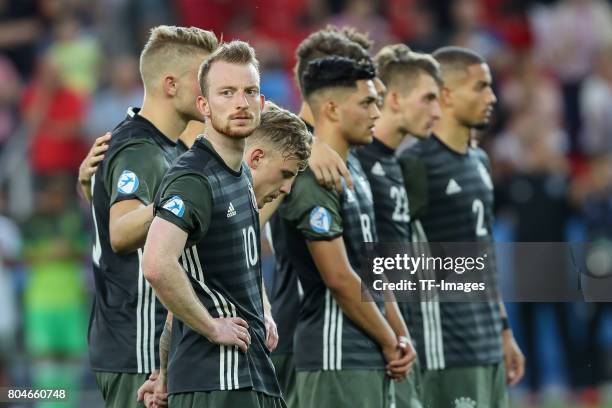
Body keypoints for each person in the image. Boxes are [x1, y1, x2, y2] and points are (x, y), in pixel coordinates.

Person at [142, 41, 290, 408]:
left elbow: (194, 286)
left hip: (248, 374)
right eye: (227, 93)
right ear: (204, 106)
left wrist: (163, 372)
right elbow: (158, 264)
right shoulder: (194, 177)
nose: (240, 102)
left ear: (261, 103)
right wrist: (211, 326)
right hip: (217, 380)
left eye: (249, 92)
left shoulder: (239, 174)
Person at [87, 25, 218, 408]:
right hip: (140, 349)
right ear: (171, 84)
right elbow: (121, 232)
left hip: (156, 346)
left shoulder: (170, 148)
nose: (210, 88)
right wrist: (180, 200)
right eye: (202, 78)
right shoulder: (140, 148)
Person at [272, 55, 414, 408]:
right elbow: (338, 277)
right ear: (332, 109)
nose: (376, 114)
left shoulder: (351, 168)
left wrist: (400, 335)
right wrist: (388, 339)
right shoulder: (313, 177)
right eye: (366, 103)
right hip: (333, 351)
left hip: (366, 351)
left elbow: (373, 268)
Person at [398, 46, 525, 408]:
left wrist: (503, 330)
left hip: (486, 343)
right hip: (443, 348)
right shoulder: (415, 164)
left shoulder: (481, 161)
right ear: (448, 95)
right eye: (481, 87)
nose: (493, 97)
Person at [355, 43, 442, 408]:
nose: (437, 112)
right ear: (393, 99)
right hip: (370, 341)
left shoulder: (395, 163)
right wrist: (396, 335)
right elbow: (362, 265)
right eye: (428, 99)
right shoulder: (356, 160)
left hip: (398, 335)